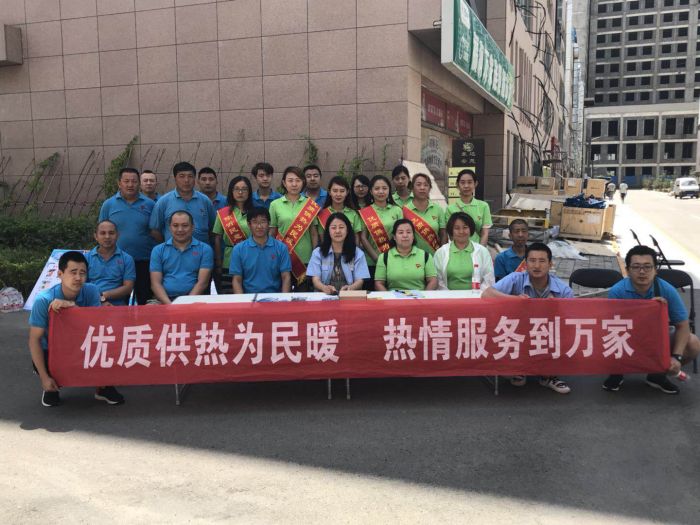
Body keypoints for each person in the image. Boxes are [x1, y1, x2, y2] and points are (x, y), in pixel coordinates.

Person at [28, 251, 125, 407]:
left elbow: (97, 326)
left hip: (83, 344)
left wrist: (73, 307)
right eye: (73, 272)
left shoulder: (91, 290)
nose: (78, 278)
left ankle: (103, 386)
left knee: (108, 341)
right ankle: (51, 386)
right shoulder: (43, 300)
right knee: (46, 365)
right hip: (54, 350)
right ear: (60, 274)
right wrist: (44, 378)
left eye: (82, 273)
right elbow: (35, 340)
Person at [603, 245, 700, 394]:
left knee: (693, 343)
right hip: (627, 336)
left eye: (647, 267)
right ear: (627, 270)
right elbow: (609, 326)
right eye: (636, 267)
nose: (642, 272)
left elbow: (683, 325)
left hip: (657, 337)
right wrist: (647, 310)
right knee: (610, 337)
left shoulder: (666, 290)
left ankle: (657, 376)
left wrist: (676, 357)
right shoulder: (617, 291)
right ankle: (617, 371)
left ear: (655, 270)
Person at [481, 242, 573, 394]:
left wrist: (556, 309)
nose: (536, 265)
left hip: (547, 335)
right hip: (518, 333)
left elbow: (571, 323)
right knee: (508, 372)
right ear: (525, 263)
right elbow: (487, 294)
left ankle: (549, 376)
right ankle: (521, 369)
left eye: (542, 261)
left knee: (562, 338)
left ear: (550, 264)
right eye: (532, 260)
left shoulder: (563, 290)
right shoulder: (516, 278)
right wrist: (515, 300)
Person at [98, 167, 156, 304]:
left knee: (144, 300)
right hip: (117, 261)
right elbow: (102, 230)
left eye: (134, 181)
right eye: (126, 181)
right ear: (119, 183)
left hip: (144, 260)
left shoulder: (150, 204)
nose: (130, 185)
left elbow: (156, 231)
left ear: (139, 183)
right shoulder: (108, 205)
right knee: (117, 301)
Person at [269, 166, 320, 289]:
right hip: (281, 256)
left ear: (303, 182)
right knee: (282, 295)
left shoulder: (310, 205)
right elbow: (272, 232)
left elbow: (314, 233)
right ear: (284, 183)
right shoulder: (275, 204)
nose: (294, 184)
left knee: (303, 296)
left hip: (305, 258)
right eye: (290, 180)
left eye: (298, 180)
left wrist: (314, 256)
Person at [149, 211, 214, 304]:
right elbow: (155, 284)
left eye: (185, 225)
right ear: (170, 227)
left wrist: (184, 304)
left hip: (194, 300)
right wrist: (170, 305)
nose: (180, 229)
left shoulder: (205, 249)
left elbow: (202, 283)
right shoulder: (158, 250)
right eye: (175, 225)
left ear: (192, 227)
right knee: (148, 308)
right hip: (164, 299)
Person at [149, 161, 216, 245]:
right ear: (175, 179)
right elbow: (155, 230)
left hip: (201, 251)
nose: (186, 180)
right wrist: (168, 245)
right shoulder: (164, 201)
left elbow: (213, 229)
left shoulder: (205, 200)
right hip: (173, 251)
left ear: (195, 179)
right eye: (182, 176)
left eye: (190, 176)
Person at [230, 208, 291, 294]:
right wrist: (242, 300)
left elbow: (286, 277)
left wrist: (284, 299)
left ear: (269, 223)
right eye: (255, 222)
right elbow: (237, 280)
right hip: (248, 297)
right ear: (249, 225)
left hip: (275, 297)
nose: (259, 226)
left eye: (263, 221)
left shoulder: (281, 248)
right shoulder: (238, 249)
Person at [307, 213, 370, 294]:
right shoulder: (318, 253)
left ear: (347, 230)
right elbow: (315, 280)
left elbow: (360, 280)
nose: (337, 231)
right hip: (324, 296)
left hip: (349, 296)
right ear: (328, 231)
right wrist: (324, 288)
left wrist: (351, 288)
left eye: (341, 227)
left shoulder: (358, 253)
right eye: (333, 228)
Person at [359, 175, 403, 285]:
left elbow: (401, 234)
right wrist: (378, 259)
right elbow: (363, 238)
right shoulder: (365, 212)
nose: (381, 192)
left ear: (389, 190)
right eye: (377, 188)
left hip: (394, 260)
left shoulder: (397, 210)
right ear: (371, 191)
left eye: (384, 188)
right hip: (371, 262)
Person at [434, 212, 494, 290]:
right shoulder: (441, 252)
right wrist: (448, 295)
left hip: (477, 296)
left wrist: (477, 294)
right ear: (451, 230)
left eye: (465, 227)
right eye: (457, 228)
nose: (461, 231)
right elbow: (438, 280)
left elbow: (488, 279)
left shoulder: (482, 251)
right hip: (447, 296)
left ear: (471, 229)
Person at [212, 176, 253, 292]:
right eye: (237, 189)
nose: (240, 192)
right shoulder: (223, 213)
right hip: (229, 259)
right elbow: (217, 238)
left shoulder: (255, 212)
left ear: (249, 192)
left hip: (251, 257)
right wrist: (218, 262)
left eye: (244, 189)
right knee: (230, 293)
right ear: (231, 191)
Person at [375, 219, 438, 291]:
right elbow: (378, 284)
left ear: (413, 236)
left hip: (420, 296)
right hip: (393, 296)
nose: (405, 235)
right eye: (401, 232)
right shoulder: (384, 257)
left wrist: (424, 296)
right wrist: (389, 297)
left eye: (408, 232)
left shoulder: (425, 256)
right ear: (394, 237)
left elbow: (433, 281)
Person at [86, 220, 136, 306]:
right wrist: (100, 301)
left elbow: (128, 288)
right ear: (96, 236)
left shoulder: (127, 259)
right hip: (90, 305)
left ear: (117, 235)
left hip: (117, 307)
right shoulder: (86, 258)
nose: (107, 237)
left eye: (111, 233)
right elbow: (81, 286)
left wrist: (103, 296)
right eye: (103, 233)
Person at [445, 169, 492, 246]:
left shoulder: (483, 206)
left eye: (469, 182)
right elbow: (451, 235)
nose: (466, 186)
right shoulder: (450, 209)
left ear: (475, 184)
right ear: (457, 185)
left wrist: (480, 250)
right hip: (458, 249)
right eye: (462, 182)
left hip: (477, 249)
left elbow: (485, 233)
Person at [402, 173, 446, 254]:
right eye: (418, 185)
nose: (422, 188)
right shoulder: (404, 210)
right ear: (412, 188)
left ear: (429, 188)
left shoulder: (438, 209)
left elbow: (443, 234)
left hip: (434, 256)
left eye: (426, 185)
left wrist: (442, 254)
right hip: (412, 256)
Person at [317, 176, 363, 245]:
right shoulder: (322, 214)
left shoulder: (353, 214)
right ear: (329, 192)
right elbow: (323, 239)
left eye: (342, 191)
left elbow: (356, 237)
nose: (338, 194)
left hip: (350, 250)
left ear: (347, 192)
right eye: (335, 191)